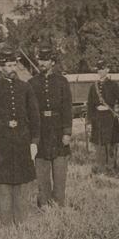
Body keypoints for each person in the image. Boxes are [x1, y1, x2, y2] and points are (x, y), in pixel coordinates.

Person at [0, 48, 40, 225]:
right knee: (4, 183)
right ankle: (6, 224)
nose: (12, 68)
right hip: (3, 142)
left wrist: (34, 142)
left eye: (14, 64)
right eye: (8, 65)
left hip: (22, 140)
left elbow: (35, 116)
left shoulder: (26, 87)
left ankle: (21, 223)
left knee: (22, 183)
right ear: (1, 68)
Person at [28, 44, 72, 207]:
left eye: (46, 60)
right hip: (40, 132)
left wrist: (67, 132)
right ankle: (45, 205)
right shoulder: (31, 83)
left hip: (58, 130)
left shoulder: (62, 82)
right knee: (42, 170)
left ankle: (58, 204)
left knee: (60, 171)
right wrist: (32, 137)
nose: (42, 63)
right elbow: (29, 112)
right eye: (40, 59)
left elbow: (67, 108)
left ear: (52, 62)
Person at [87, 59, 119, 174]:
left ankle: (111, 168)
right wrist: (89, 122)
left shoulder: (113, 85)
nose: (100, 71)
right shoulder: (93, 87)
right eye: (99, 69)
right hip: (97, 117)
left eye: (103, 68)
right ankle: (101, 168)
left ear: (108, 70)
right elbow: (90, 105)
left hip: (109, 117)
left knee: (111, 143)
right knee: (99, 143)